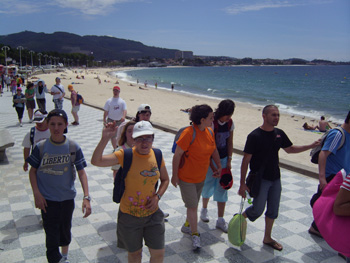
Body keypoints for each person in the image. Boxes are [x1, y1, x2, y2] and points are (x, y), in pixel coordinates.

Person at [238, 105, 319, 251]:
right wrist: (242, 184)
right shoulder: (254, 136)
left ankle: (267, 237)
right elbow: (246, 161)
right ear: (264, 116)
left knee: (273, 209)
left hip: (276, 178)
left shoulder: (279, 134)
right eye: (273, 115)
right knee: (257, 210)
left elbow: (290, 149)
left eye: (278, 115)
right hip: (260, 179)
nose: (277, 118)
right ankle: (239, 218)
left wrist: (311, 145)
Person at [91, 120, 169, 263]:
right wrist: (105, 138)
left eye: (147, 138)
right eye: (139, 138)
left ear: (153, 138)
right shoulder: (125, 155)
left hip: (153, 215)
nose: (144, 142)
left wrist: (157, 196)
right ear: (133, 139)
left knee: (158, 254)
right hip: (129, 217)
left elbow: (165, 180)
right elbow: (96, 161)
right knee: (135, 255)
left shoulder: (157, 154)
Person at [26, 109, 91, 263]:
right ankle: (55, 259)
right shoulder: (41, 147)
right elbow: (32, 171)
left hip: (67, 198)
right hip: (47, 200)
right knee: (51, 234)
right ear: (47, 124)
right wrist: (37, 194)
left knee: (65, 231)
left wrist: (86, 197)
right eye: (52, 124)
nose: (56, 128)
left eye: (60, 124)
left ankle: (65, 257)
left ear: (66, 125)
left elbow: (82, 172)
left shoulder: (73, 147)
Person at [172, 104, 221, 250]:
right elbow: (177, 155)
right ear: (202, 119)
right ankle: (195, 235)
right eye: (211, 117)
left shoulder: (209, 132)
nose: (213, 119)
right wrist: (175, 176)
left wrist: (218, 166)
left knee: (193, 205)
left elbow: (213, 151)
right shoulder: (188, 133)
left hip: (201, 177)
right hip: (186, 178)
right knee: (192, 206)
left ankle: (187, 225)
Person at [309, 111, 350, 237]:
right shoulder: (338, 134)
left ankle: (319, 227)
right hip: (332, 176)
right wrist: (322, 178)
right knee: (327, 204)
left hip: (342, 177)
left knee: (330, 205)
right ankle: (317, 227)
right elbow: (323, 154)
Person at [200, 99, 235, 233]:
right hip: (210, 160)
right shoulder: (212, 123)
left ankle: (220, 219)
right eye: (227, 114)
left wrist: (229, 161)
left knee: (223, 187)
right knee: (208, 184)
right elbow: (208, 146)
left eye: (230, 115)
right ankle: (204, 209)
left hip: (224, 159)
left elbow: (230, 142)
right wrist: (214, 167)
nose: (229, 118)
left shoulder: (230, 123)